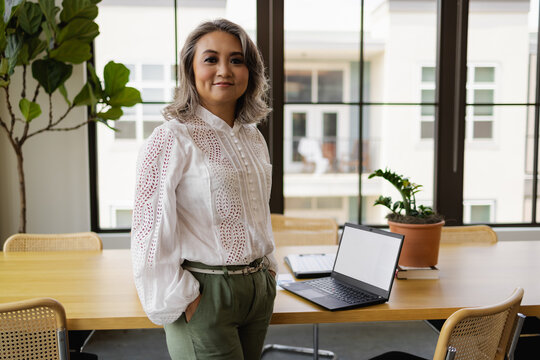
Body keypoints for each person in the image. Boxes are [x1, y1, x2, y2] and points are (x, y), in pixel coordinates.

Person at [131, 19, 277, 360]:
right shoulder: (171, 138)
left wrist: (268, 269)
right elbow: (148, 230)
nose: (224, 70)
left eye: (236, 60)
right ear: (191, 70)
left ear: (249, 71)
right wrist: (180, 296)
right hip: (205, 291)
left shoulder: (253, 137)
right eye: (210, 59)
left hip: (257, 290)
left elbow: (257, 210)